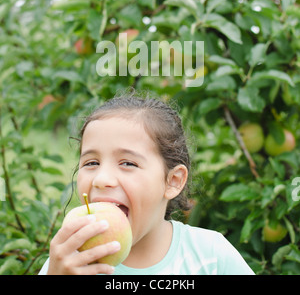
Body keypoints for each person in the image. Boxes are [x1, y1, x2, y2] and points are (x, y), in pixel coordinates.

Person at [39, 91, 254, 275]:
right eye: (91, 162)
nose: (101, 179)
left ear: (172, 181)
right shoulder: (71, 263)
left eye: (128, 163)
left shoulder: (211, 257)